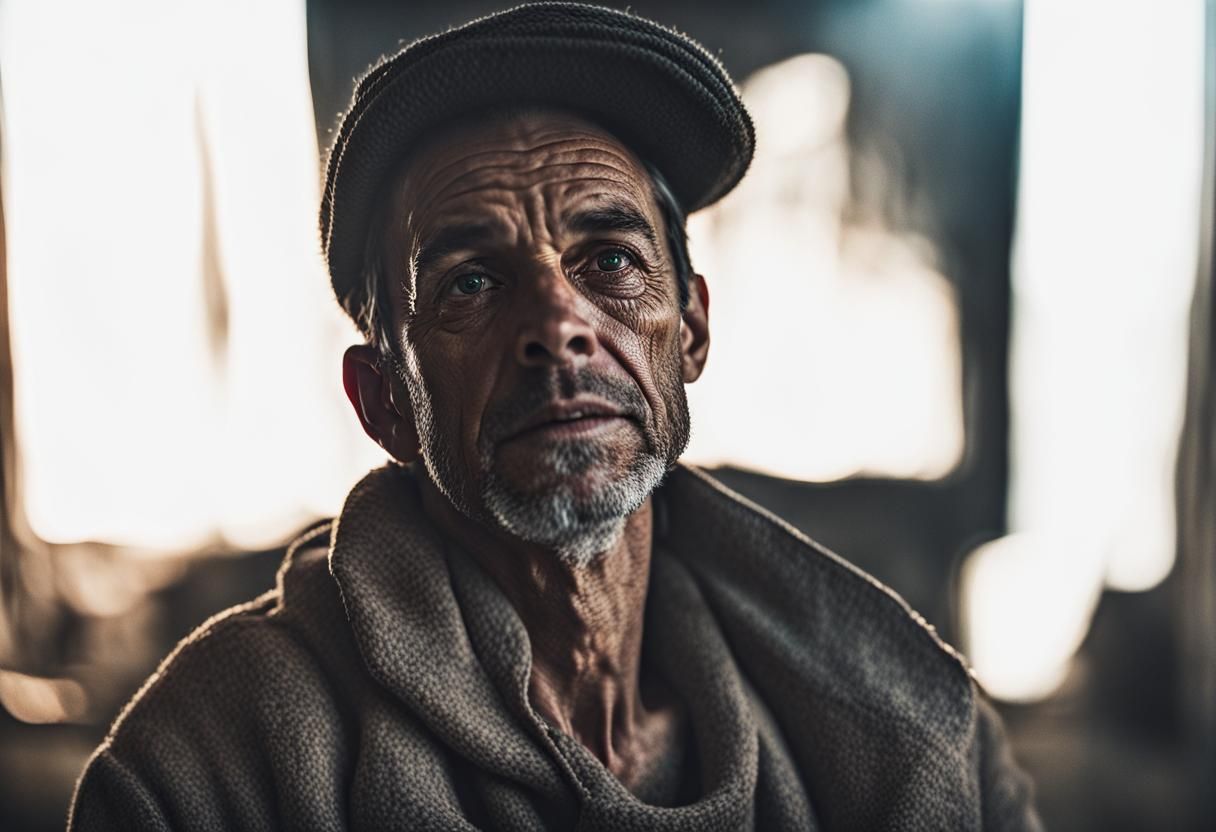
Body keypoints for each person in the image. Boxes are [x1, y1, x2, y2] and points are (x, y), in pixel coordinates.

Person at [69, 4, 1040, 829]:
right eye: (472, 282)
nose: (559, 325)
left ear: (691, 329)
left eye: (609, 261)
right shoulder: (209, 766)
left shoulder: (917, 728)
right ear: (383, 404)